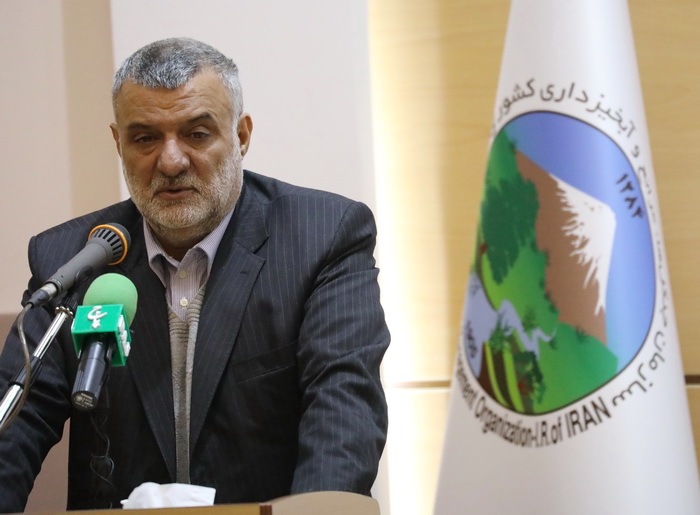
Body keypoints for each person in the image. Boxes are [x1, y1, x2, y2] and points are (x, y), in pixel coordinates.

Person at [0, 37, 389, 512]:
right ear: (118, 143)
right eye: (145, 138)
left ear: (241, 135)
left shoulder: (321, 237)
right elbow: (15, 429)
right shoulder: (71, 259)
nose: (171, 161)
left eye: (197, 134)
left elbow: (343, 415)